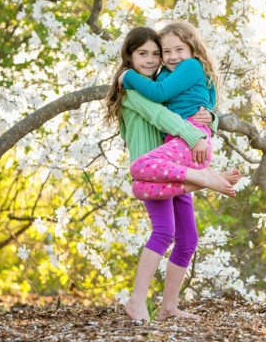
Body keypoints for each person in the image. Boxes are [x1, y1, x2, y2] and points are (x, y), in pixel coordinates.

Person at [104, 26, 239, 321]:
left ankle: (169, 307)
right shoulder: (131, 89)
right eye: (143, 54)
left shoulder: (164, 79)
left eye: (156, 54)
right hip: (152, 168)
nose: (152, 60)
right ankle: (137, 301)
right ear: (129, 57)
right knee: (165, 231)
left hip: (175, 165)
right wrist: (196, 136)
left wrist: (211, 119)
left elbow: (194, 103)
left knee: (188, 239)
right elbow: (161, 116)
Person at [118, 21, 235, 201]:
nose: (173, 57)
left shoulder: (190, 65)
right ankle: (206, 179)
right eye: (166, 52)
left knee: (138, 167)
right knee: (139, 188)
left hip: (191, 139)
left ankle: (205, 178)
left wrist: (128, 75)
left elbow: (160, 94)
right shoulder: (165, 74)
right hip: (177, 142)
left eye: (179, 50)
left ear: (192, 49)